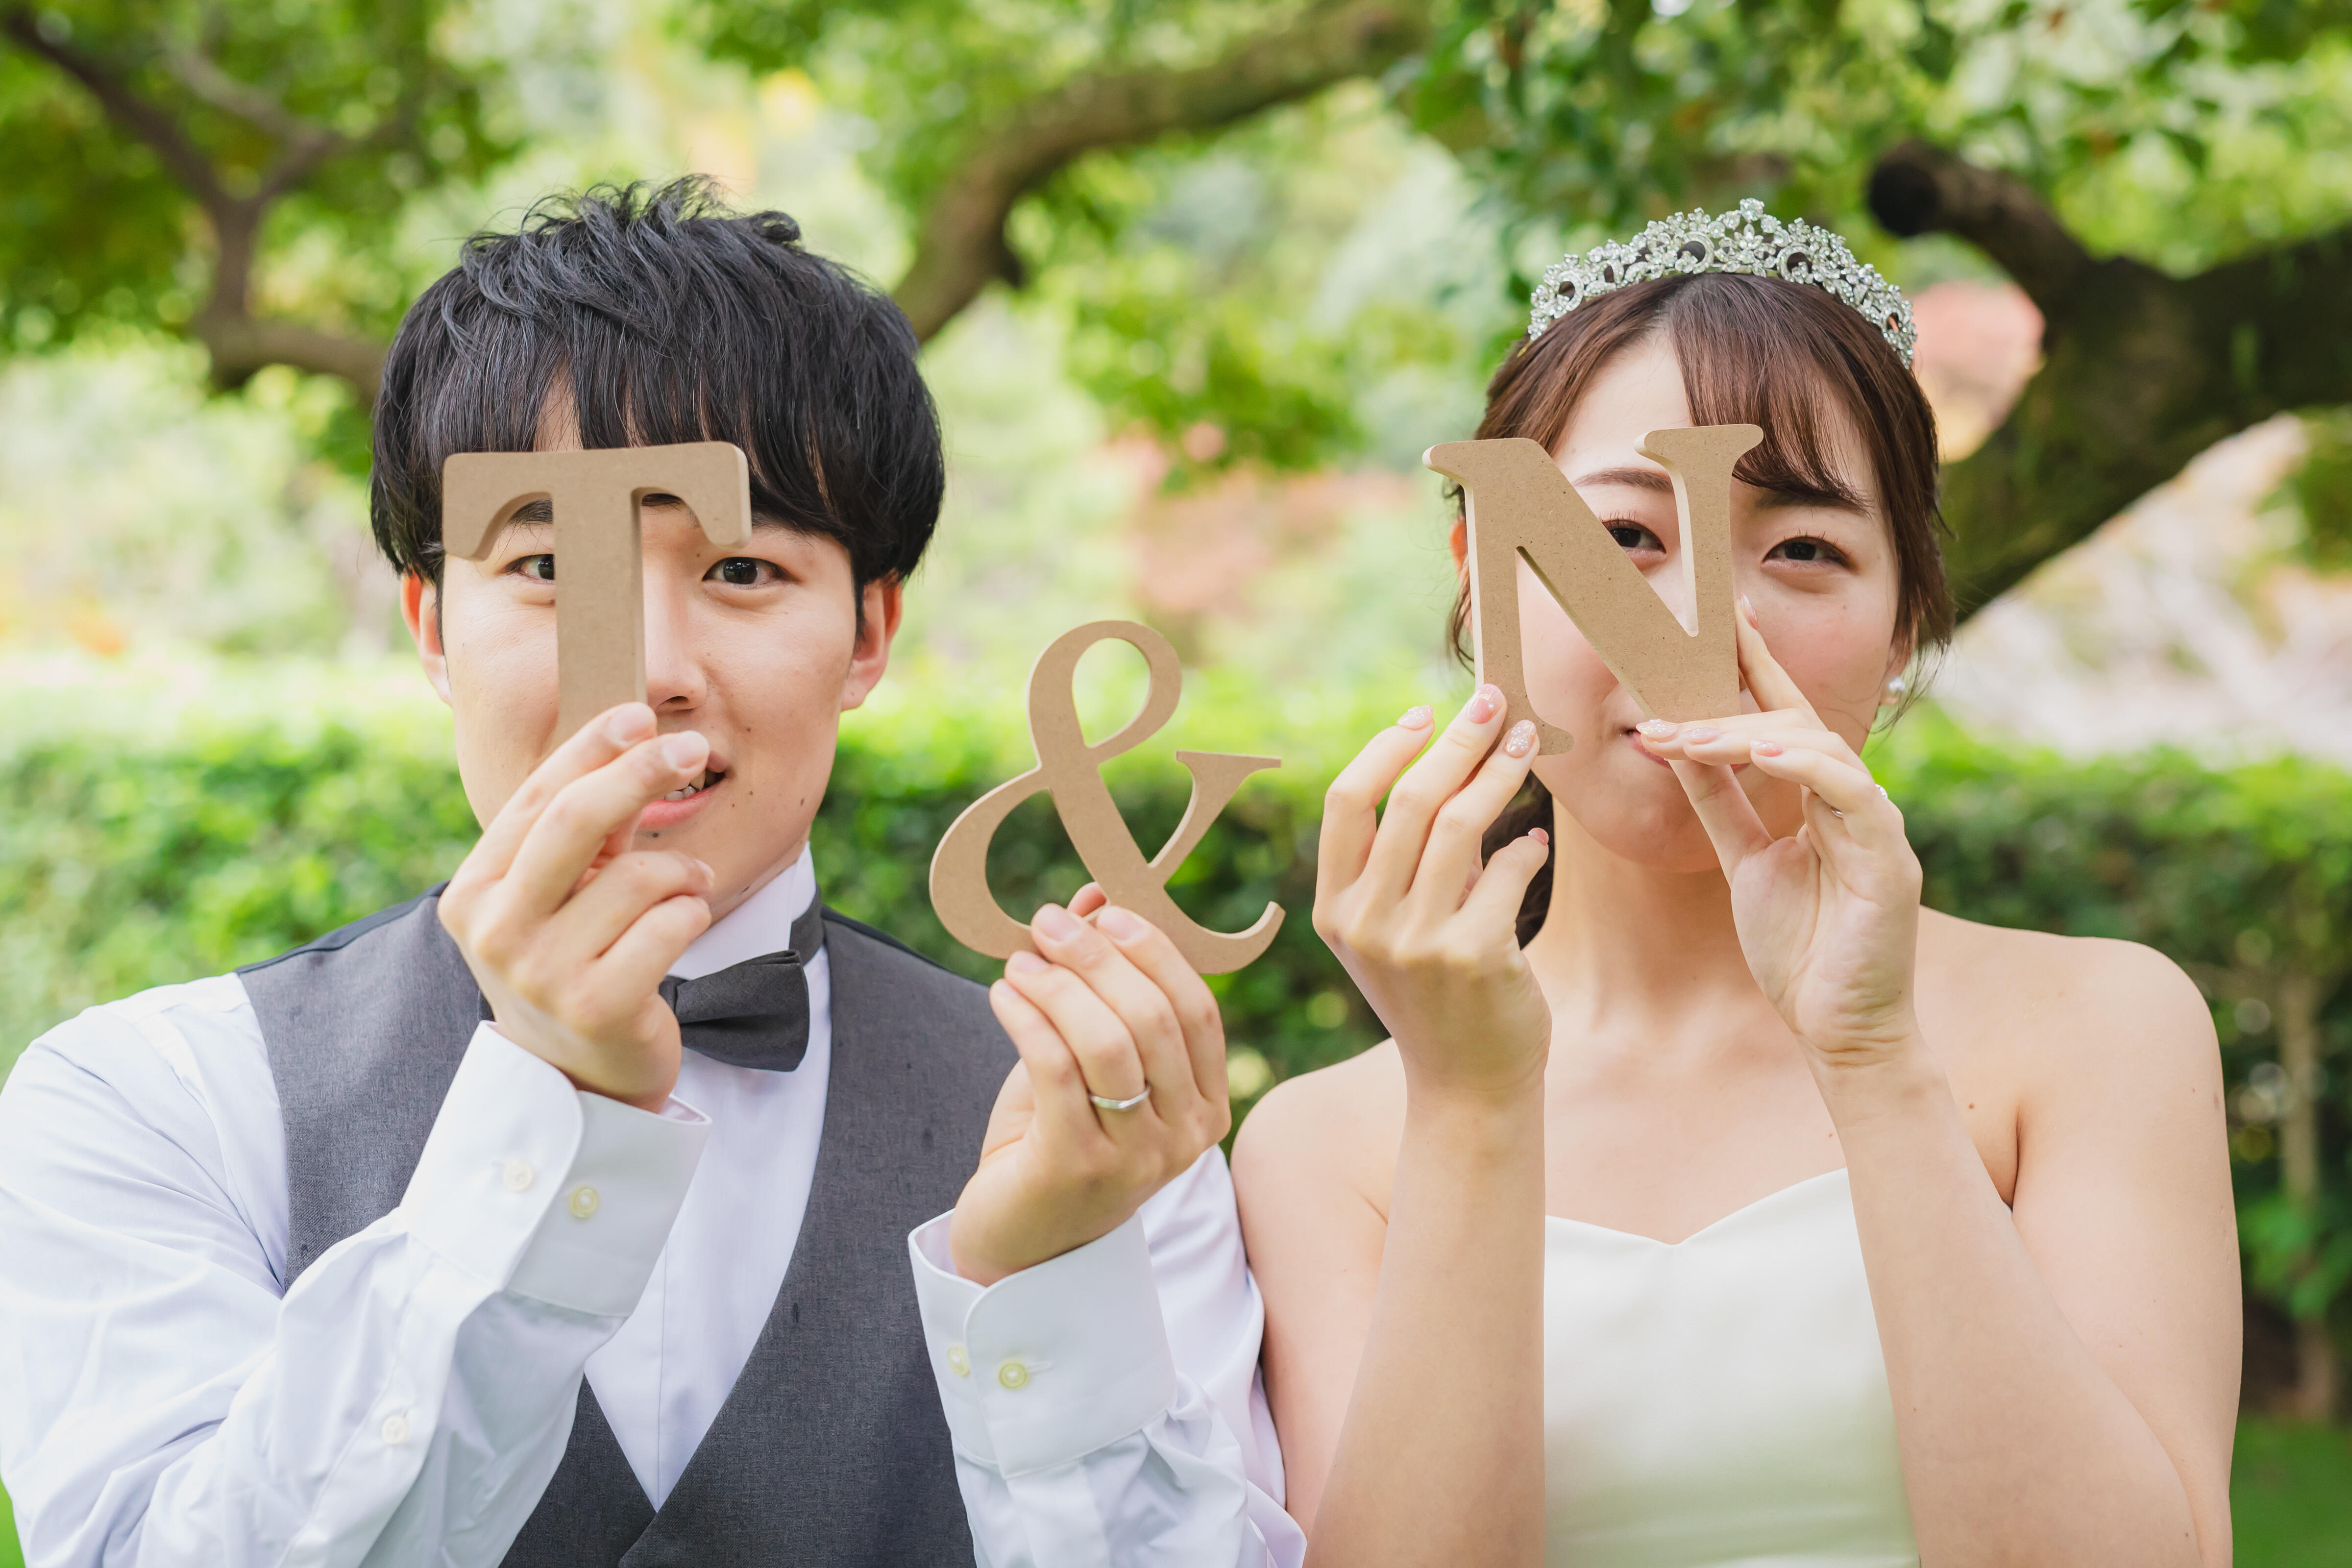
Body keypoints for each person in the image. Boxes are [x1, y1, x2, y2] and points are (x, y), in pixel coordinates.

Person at [920, 204, 2242, 1565]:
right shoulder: (1332, 1145)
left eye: (1803, 550)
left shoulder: (2100, 1030)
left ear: (1907, 617)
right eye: (1619, 540)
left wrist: (1875, 1058)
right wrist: (1473, 1101)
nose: (1700, 627)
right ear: (1483, 579)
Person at [0, 179, 1268, 1568]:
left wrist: (1046, 1285)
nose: (653, 670)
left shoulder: (1099, 1126)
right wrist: (543, 1121)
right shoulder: (155, 1101)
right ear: (433, 627)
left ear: (867, 634)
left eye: (742, 570)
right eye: (550, 563)